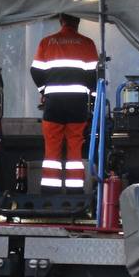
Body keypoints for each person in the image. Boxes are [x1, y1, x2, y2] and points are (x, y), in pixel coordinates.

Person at [30, 14, 98, 192]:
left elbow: (35, 71)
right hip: (77, 105)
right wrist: (93, 97)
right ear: (78, 22)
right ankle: (75, 193)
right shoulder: (87, 43)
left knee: (52, 149)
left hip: (54, 104)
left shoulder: (47, 42)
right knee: (75, 149)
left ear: (61, 21)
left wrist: (44, 90)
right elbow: (95, 76)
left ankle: (49, 193)